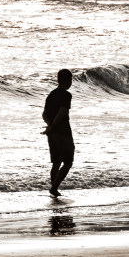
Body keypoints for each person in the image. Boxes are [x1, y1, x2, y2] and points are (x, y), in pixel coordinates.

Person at [42, 69, 75, 197]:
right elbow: (62, 112)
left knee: (56, 162)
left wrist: (49, 126)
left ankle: (54, 190)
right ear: (67, 80)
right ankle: (54, 188)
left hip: (52, 133)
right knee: (68, 162)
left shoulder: (51, 94)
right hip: (64, 132)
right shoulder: (66, 95)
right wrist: (53, 125)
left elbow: (44, 114)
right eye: (70, 80)